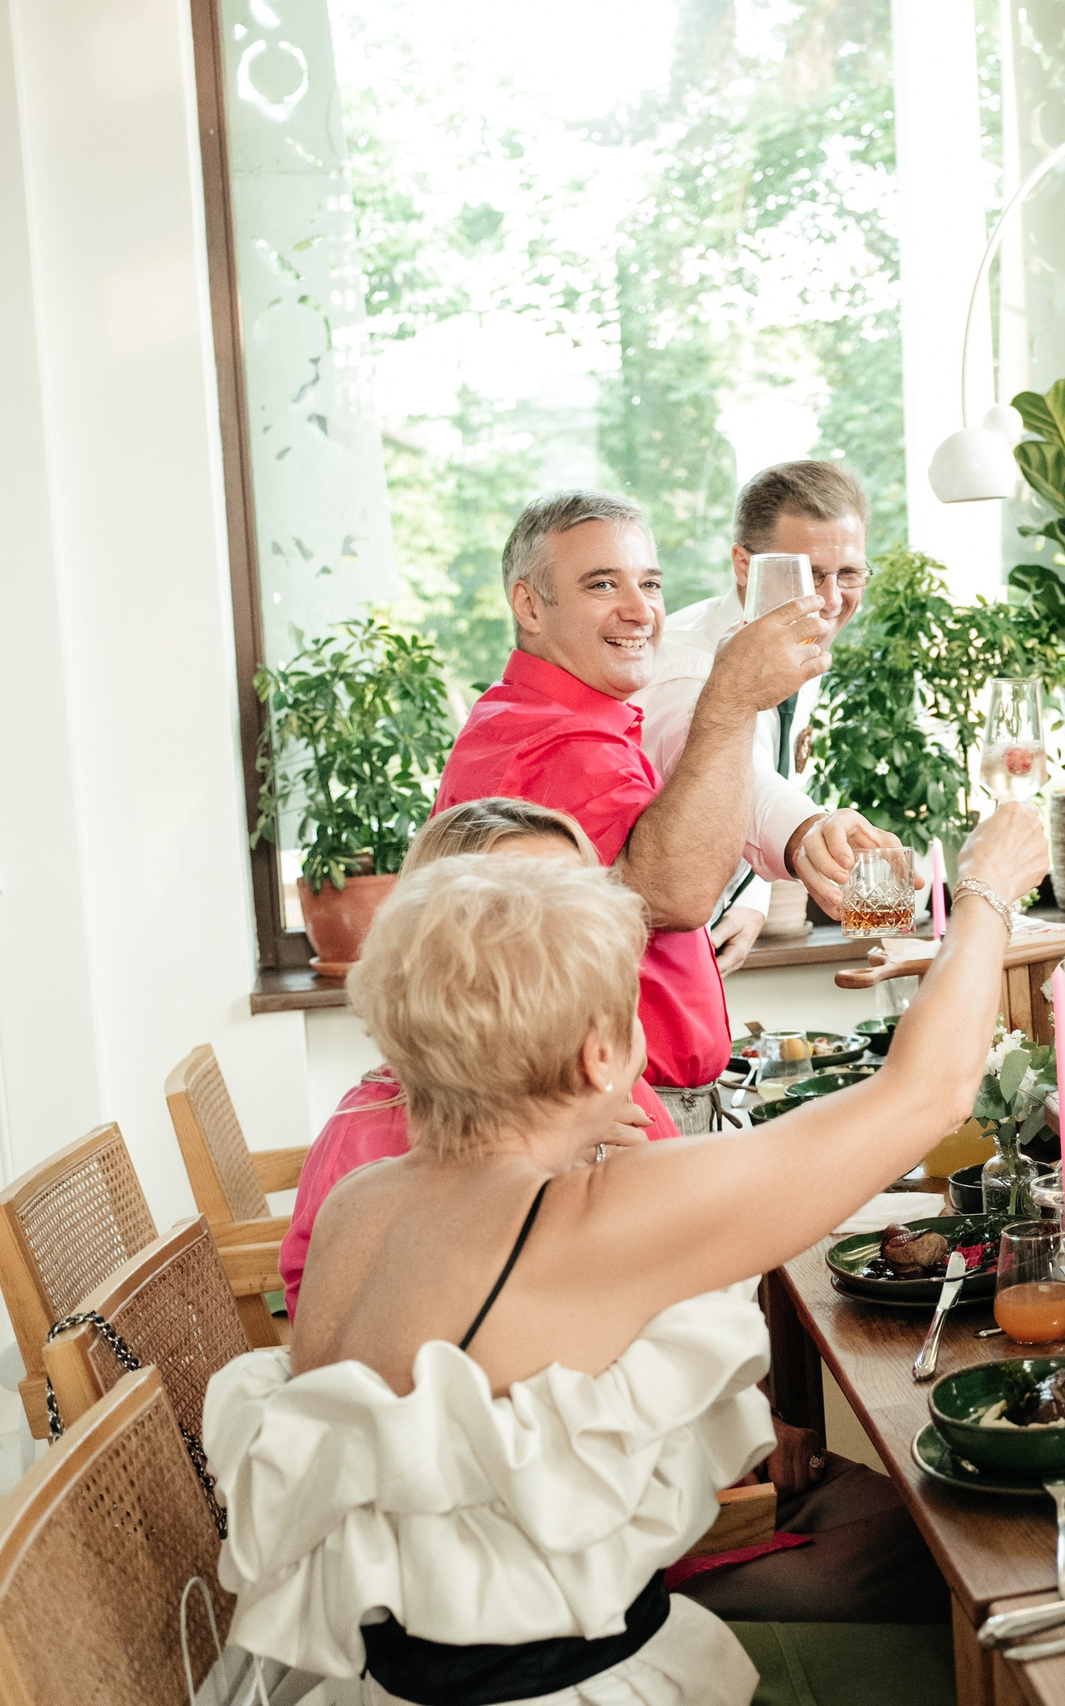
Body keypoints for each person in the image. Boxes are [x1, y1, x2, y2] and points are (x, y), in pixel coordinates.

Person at [206, 801, 1050, 1703]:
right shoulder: (587, 1218)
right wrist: (987, 890)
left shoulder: (358, 1204)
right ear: (604, 1054)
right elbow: (925, 1094)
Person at [434, 488, 847, 1133]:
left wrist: (805, 832)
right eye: (603, 584)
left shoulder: (558, 715)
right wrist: (734, 696)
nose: (640, 612)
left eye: (650, 584)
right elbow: (673, 895)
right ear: (529, 605)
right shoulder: (556, 740)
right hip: (621, 1117)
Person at [278, 798, 671, 1320]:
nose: (568, 940)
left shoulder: (606, 1086)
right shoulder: (369, 1138)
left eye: (579, 904)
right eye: (522, 913)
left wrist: (640, 1195)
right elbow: (330, 1328)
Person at [634, 460, 879, 973]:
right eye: (809, 574)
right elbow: (730, 773)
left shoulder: (793, 641)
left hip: (707, 948)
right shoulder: (687, 667)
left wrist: (752, 896)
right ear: (745, 566)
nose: (832, 599)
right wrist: (809, 829)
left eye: (849, 573)